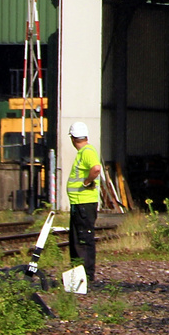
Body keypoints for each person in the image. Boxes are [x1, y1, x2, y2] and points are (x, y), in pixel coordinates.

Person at [66, 121, 102, 286]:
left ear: (73, 138)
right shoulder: (83, 152)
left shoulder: (87, 151)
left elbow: (95, 168)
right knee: (77, 240)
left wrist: (87, 182)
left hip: (84, 204)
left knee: (83, 240)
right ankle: (78, 273)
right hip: (79, 204)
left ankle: (86, 276)